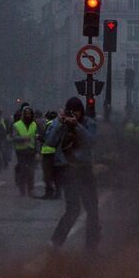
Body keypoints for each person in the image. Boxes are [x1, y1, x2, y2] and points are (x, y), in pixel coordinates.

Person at [51, 97, 100, 250]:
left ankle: (91, 246)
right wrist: (59, 123)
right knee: (73, 209)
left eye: (77, 112)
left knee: (92, 209)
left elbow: (91, 141)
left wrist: (77, 126)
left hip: (84, 170)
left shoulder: (88, 124)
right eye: (71, 112)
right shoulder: (61, 123)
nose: (75, 115)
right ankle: (56, 241)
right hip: (68, 170)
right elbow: (50, 141)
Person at [12, 104, 39, 197]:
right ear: (23, 114)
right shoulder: (17, 125)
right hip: (21, 151)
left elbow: (36, 139)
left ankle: (31, 190)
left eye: (30, 114)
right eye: (26, 114)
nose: (28, 115)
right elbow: (14, 137)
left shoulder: (34, 124)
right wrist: (23, 138)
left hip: (31, 151)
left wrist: (38, 152)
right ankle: (22, 190)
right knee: (23, 171)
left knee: (31, 171)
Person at [39, 110, 60, 200]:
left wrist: (39, 137)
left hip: (47, 152)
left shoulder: (49, 125)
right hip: (55, 152)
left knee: (47, 175)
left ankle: (49, 192)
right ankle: (58, 193)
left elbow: (46, 138)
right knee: (56, 174)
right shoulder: (58, 125)